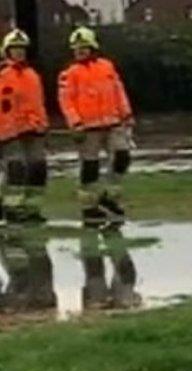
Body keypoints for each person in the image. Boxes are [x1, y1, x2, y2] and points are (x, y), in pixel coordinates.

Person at [57, 26, 134, 228]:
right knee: (90, 168)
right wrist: (75, 123)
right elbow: (66, 101)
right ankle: (89, 207)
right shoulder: (69, 74)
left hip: (113, 122)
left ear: (92, 47)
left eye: (84, 47)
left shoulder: (107, 66)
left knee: (122, 156)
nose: (80, 51)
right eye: (77, 48)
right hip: (87, 127)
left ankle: (109, 195)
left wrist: (126, 113)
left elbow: (119, 91)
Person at [0, 29, 49, 225]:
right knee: (15, 168)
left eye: (22, 49)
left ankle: (32, 209)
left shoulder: (32, 75)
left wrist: (43, 125)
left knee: (38, 168)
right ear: (7, 51)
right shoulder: (2, 75)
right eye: (15, 49)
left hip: (34, 129)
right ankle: (11, 210)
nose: (19, 53)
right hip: (9, 132)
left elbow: (39, 102)